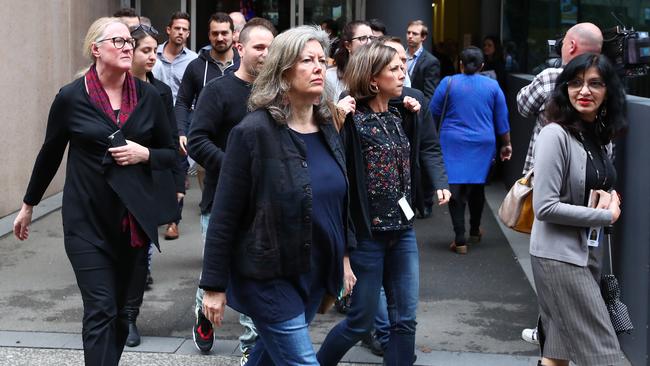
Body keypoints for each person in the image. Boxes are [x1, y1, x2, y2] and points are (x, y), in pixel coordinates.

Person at [12, 17, 176, 365]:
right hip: (86, 221)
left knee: (119, 314)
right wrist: (29, 204)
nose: (127, 46)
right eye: (117, 41)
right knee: (100, 309)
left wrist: (143, 153)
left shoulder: (150, 97)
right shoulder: (71, 98)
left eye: (129, 41)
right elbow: (50, 153)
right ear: (95, 49)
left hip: (133, 224)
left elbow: (170, 156)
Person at [199, 25, 355, 365]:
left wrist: (344, 257)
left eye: (320, 59)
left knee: (267, 358)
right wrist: (212, 285)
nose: (318, 67)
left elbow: (340, 201)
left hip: (313, 271)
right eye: (306, 60)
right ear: (283, 72)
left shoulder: (328, 126)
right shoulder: (253, 132)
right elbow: (224, 214)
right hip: (268, 276)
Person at [318, 42, 450, 366]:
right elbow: (331, 172)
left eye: (402, 66)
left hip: (403, 233)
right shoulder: (350, 121)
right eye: (394, 68)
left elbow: (416, 156)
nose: (403, 72)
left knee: (405, 321)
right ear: (374, 79)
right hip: (367, 238)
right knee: (359, 323)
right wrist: (335, 120)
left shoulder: (399, 115)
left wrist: (412, 116)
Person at [187, 18, 276, 362]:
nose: (266, 55)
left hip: (265, 205)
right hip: (221, 200)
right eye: (259, 47)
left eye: (272, 47)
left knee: (255, 276)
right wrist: (234, 167)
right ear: (240, 49)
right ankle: (203, 314)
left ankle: (250, 349)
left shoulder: (279, 92)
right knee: (217, 267)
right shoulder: (219, 90)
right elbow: (197, 140)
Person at [531, 53, 626, 366]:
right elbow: (544, 207)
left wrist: (610, 198)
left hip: (586, 254)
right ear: (565, 89)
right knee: (605, 354)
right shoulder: (554, 134)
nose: (584, 91)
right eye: (575, 83)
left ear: (608, 91)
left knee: (556, 354)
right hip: (559, 258)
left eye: (595, 84)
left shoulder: (597, 136)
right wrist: (605, 214)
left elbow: (595, 185)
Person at [516, 22, 603, 345]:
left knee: (550, 257)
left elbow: (523, 106)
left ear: (569, 47)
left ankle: (555, 332)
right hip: (594, 186)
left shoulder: (552, 77)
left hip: (548, 183)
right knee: (583, 259)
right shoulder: (608, 84)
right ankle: (554, 334)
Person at [122, 22, 185, 348]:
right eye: (146, 50)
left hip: (149, 180)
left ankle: (130, 316)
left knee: (140, 253)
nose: (152, 56)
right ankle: (112, 311)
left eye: (153, 51)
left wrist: (178, 183)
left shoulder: (160, 91)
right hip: (114, 183)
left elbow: (171, 141)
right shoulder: (112, 91)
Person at [429, 46, 511, 254]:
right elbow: (502, 119)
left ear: (460, 64)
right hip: (483, 143)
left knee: (455, 190)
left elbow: (433, 112)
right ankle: (474, 230)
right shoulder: (492, 86)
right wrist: (506, 144)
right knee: (477, 187)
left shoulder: (447, 83)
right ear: (482, 66)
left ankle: (460, 239)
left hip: (452, 141)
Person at [152, 11, 198, 241]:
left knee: (178, 162)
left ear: (188, 34)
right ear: (168, 30)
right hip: (154, 117)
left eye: (185, 29)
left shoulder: (193, 60)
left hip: (180, 119)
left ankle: (174, 221)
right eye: (176, 28)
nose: (180, 32)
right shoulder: (152, 53)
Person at [175, 13, 240, 159]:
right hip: (206, 148)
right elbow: (182, 102)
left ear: (234, 34)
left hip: (240, 147)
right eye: (215, 33)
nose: (219, 38)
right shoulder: (195, 66)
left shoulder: (244, 64)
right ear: (209, 36)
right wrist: (181, 132)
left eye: (224, 33)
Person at [325, 20, 374, 102]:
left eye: (371, 38)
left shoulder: (377, 75)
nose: (369, 42)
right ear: (348, 45)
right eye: (363, 38)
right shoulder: (331, 77)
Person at [406, 20, 440, 99]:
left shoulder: (431, 61)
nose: (410, 36)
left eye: (414, 34)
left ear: (423, 37)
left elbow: (429, 95)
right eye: (408, 32)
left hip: (416, 106)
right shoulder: (399, 55)